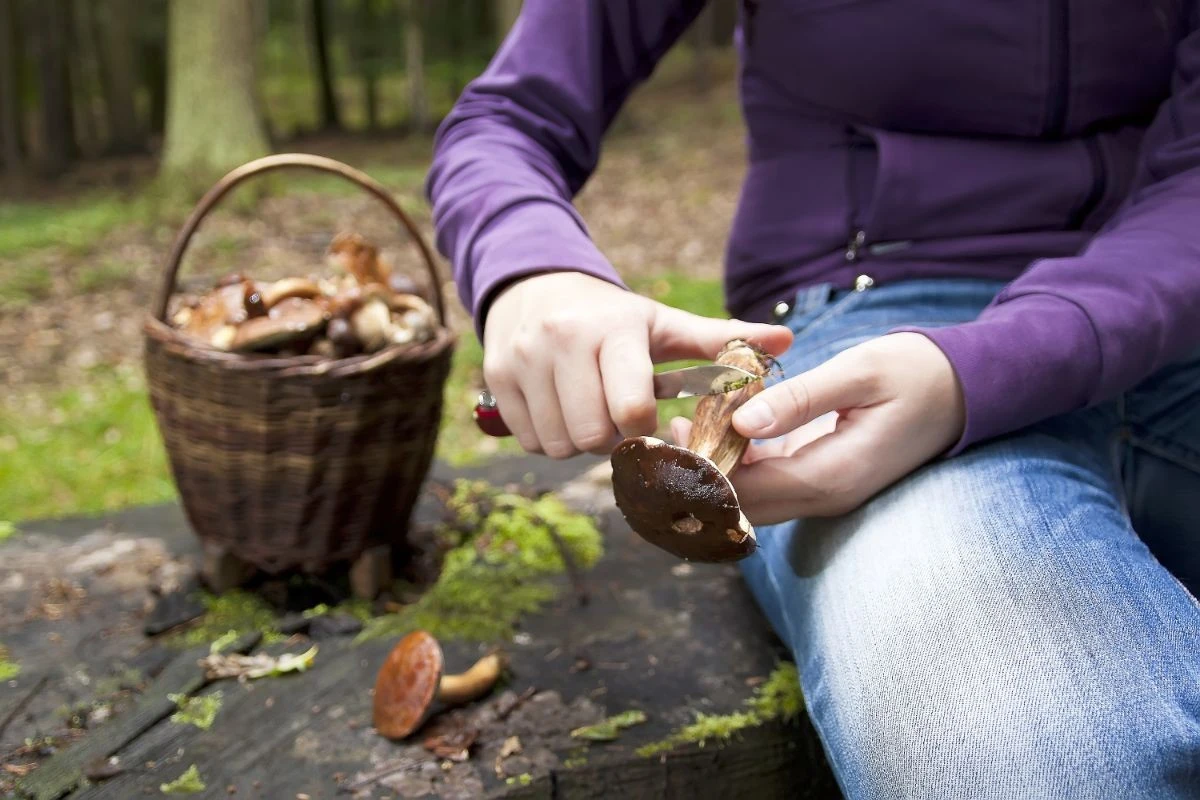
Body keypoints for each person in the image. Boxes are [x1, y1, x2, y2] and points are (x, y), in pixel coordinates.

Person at [425, 3, 1200, 797]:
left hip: (1178, 313)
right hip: (876, 329)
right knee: (1028, 743)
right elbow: (506, 120)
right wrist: (530, 266)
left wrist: (1001, 361)